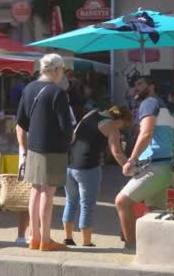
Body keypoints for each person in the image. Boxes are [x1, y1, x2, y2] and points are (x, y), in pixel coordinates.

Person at [16, 53, 73, 251]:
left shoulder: (29, 89)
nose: (62, 73)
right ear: (57, 70)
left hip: (33, 148)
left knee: (35, 190)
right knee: (48, 193)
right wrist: (71, 136)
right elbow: (66, 128)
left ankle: (34, 237)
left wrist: (23, 150)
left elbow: (20, 123)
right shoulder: (58, 93)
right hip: (53, 150)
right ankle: (46, 240)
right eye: (62, 70)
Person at [115, 76, 174, 250]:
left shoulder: (149, 103)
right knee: (155, 211)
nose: (137, 88)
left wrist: (131, 160)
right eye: (135, 85)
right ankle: (158, 249)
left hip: (154, 166)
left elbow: (146, 133)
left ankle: (132, 246)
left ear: (151, 86)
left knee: (122, 202)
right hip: (164, 166)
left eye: (140, 84)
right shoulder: (162, 105)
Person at [63, 106, 133, 247]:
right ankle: (87, 242)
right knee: (87, 205)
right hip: (88, 167)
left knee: (70, 202)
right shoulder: (112, 126)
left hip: (69, 164)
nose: (122, 128)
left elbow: (74, 135)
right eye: (124, 125)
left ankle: (68, 238)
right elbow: (117, 152)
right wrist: (130, 168)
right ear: (120, 119)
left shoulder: (91, 113)